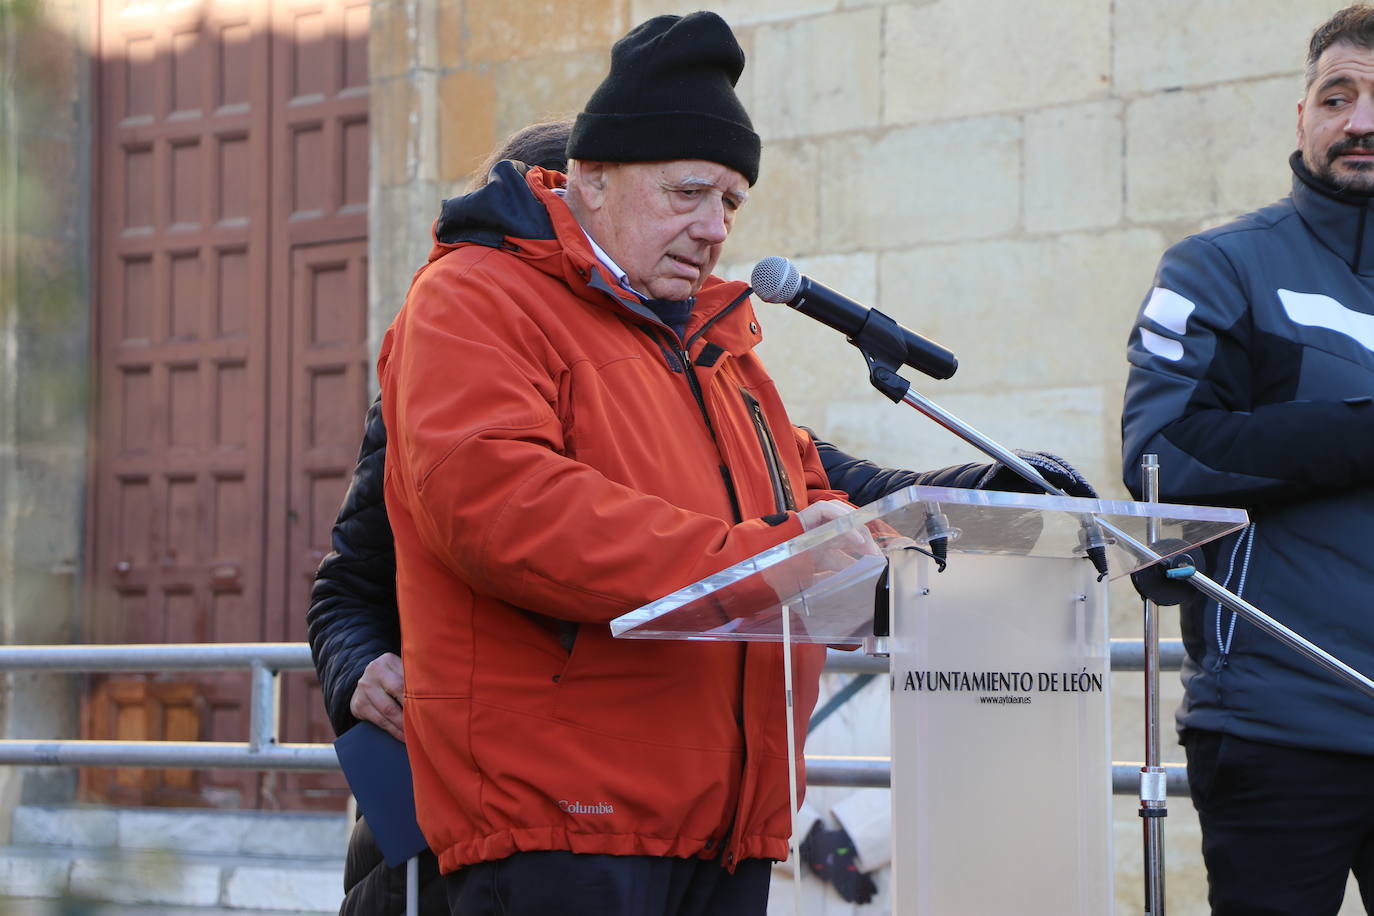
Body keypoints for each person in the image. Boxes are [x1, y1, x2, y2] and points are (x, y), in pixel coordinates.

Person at [321, 14, 1099, 914]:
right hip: (566, 826)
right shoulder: (473, 299)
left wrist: (989, 495)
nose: (714, 228)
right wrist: (765, 561)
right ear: (590, 181)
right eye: (690, 193)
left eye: (731, 203)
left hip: (725, 829)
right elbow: (501, 507)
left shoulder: (712, 349)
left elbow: (817, 489)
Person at [1121, 6, 1374, 913]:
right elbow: (1165, 454)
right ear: (1301, 116)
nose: (1361, 121)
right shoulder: (1219, 269)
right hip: (1280, 728)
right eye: (1336, 96)